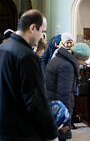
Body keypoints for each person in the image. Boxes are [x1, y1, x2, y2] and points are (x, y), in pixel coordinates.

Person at [0, 9, 58, 141]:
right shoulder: (27, 56)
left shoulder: (3, 48)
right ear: (32, 28)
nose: (42, 37)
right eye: (42, 32)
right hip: (21, 131)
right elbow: (35, 100)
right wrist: (52, 133)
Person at [45, 43, 90, 141]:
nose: (83, 64)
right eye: (84, 61)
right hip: (58, 112)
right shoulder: (67, 66)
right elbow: (64, 95)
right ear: (79, 57)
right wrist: (64, 122)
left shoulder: (58, 59)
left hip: (50, 106)